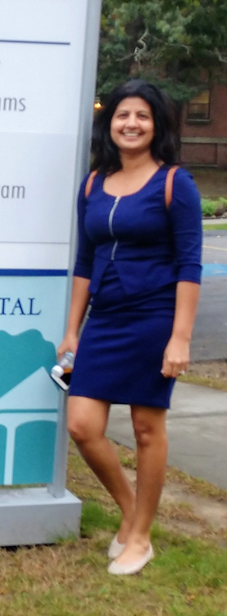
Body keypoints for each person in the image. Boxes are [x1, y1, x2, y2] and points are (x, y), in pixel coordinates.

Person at [58, 79, 202, 576]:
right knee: (82, 425)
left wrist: (180, 337)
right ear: (110, 123)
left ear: (156, 125)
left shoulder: (174, 183)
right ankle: (130, 511)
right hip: (105, 320)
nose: (131, 123)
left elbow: (190, 264)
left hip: (154, 319)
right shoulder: (94, 184)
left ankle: (140, 537)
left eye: (142, 115)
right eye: (123, 115)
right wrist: (73, 330)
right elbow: (85, 261)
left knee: (145, 428)